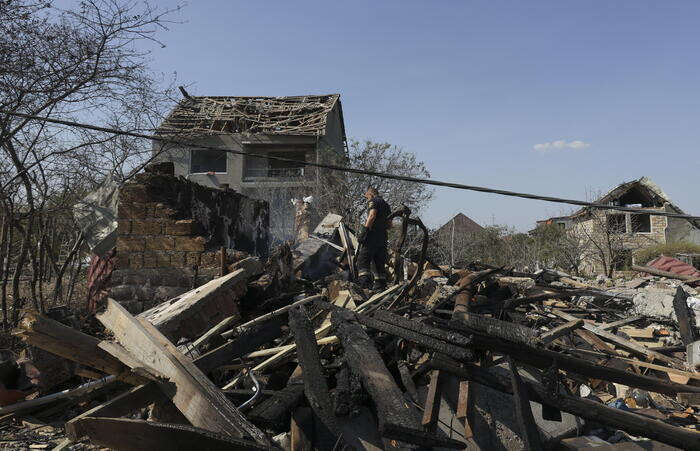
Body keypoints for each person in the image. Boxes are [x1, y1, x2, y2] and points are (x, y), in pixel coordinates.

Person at [356, 187, 391, 290]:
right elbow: (390, 224)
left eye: (367, 197)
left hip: (372, 236)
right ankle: (380, 288)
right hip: (383, 238)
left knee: (362, 261)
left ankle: (365, 287)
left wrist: (365, 231)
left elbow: (372, 215)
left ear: (370, 194)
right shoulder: (386, 204)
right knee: (378, 264)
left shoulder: (373, 201)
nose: (367, 199)